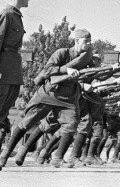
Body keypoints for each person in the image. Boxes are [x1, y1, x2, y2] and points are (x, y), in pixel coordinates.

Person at [0, 28, 94, 169]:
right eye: (85, 41)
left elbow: (92, 74)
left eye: (89, 42)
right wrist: (65, 70)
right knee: (27, 122)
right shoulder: (63, 53)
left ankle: (58, 158)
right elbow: (47, 70)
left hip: (68, 97)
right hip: (49, 93)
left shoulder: (87, 58)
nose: (88, 44)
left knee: (71, 124)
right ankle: (5, 155)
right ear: (76, 41)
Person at [0, 0, 31, 154]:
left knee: (3, 113)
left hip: (12, 71)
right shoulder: (7, 15)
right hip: (4, 70)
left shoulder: (16, 16)